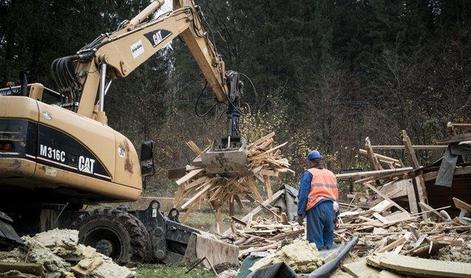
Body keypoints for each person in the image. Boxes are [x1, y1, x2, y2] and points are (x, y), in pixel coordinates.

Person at [297, 150, 339, 250]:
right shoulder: (331, 174)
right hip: (331, 207)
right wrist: (336, 215)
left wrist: (300, 213)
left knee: (315, 243)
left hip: (316, 208)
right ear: (321, 160)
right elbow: (336, 195)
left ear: (310, 162)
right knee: (328, 240)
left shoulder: (309, 173)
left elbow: (303, 195)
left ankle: (318, 263)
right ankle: (330, 261)